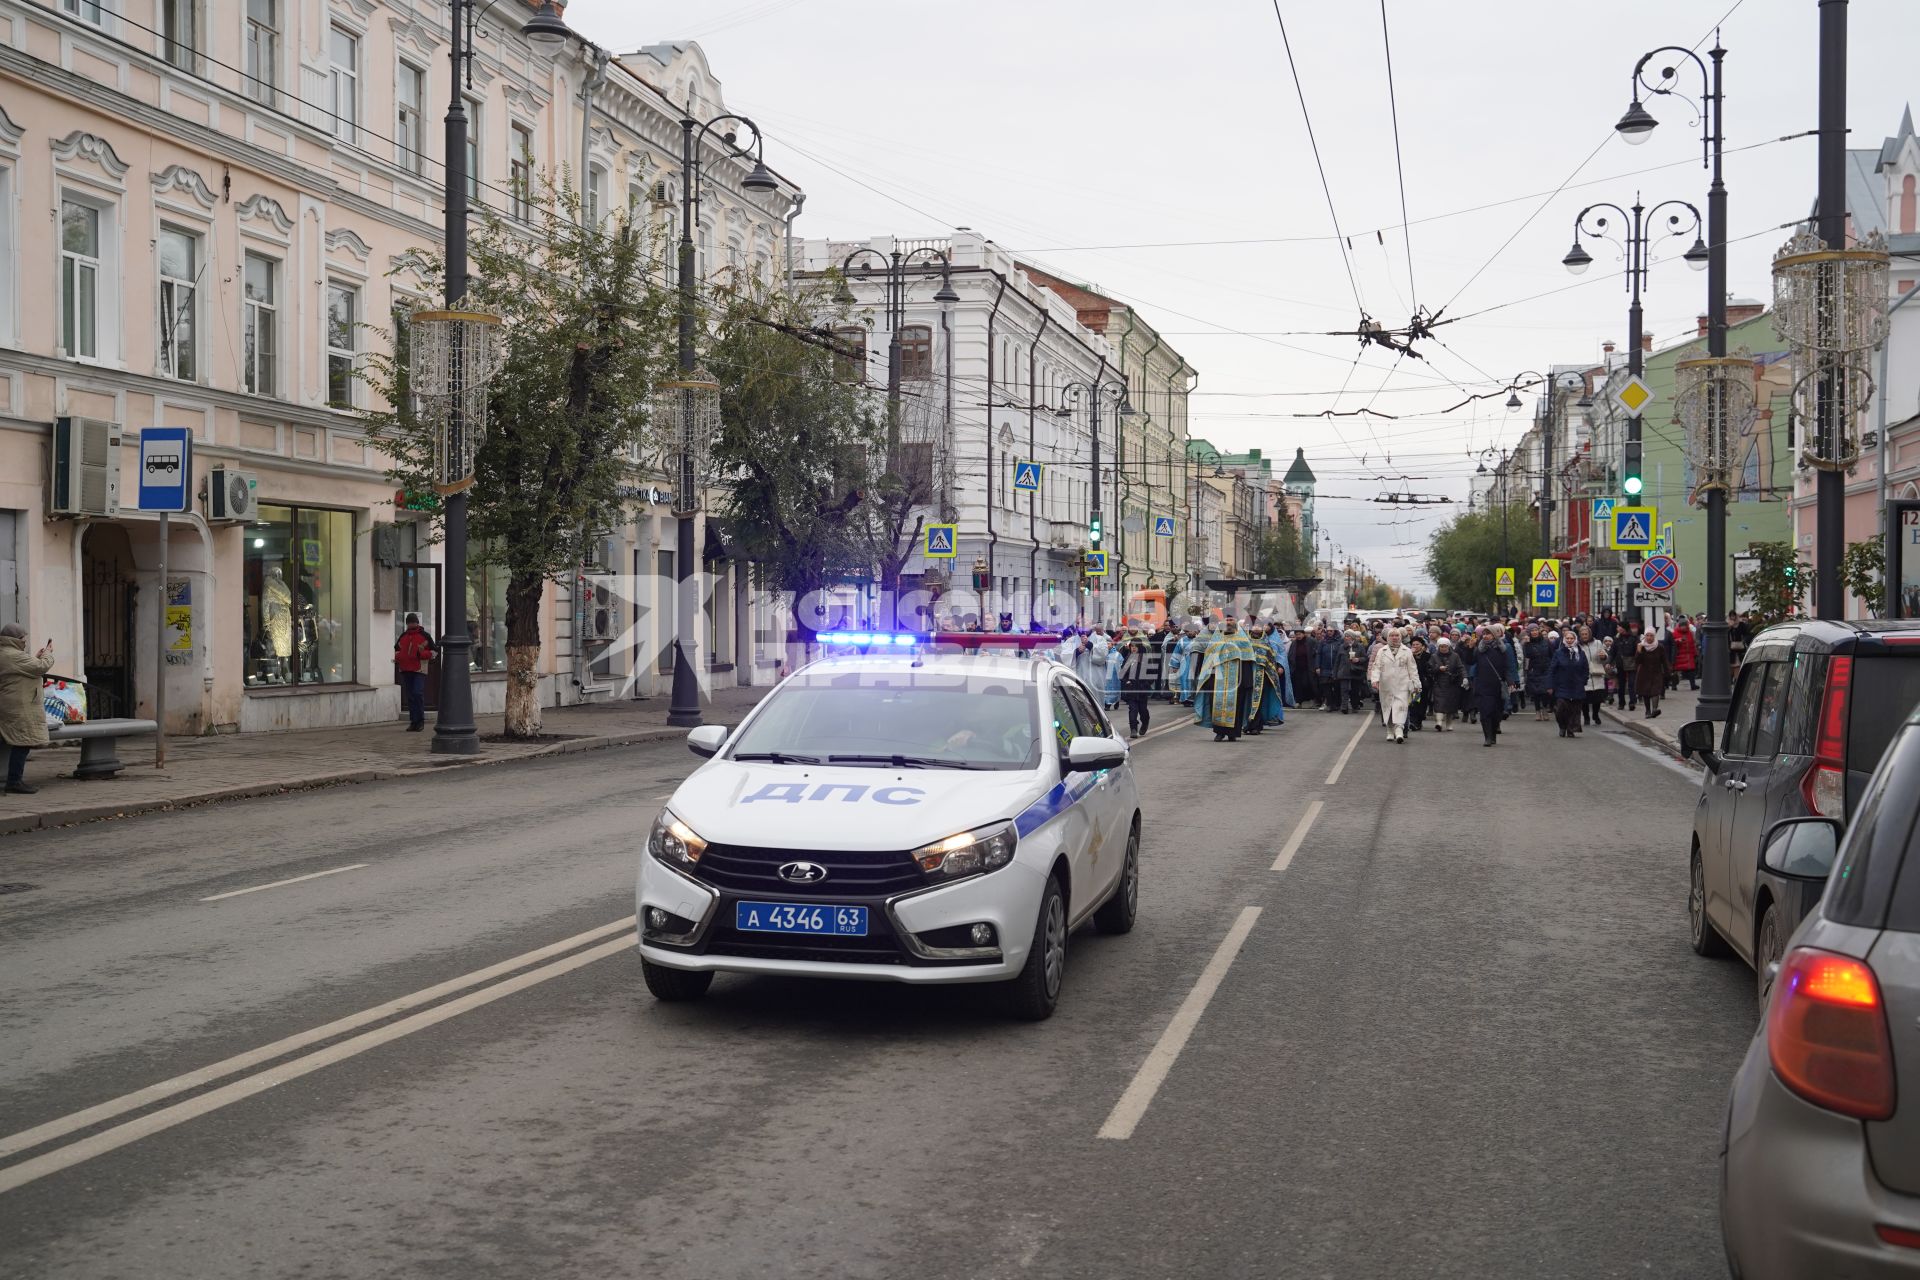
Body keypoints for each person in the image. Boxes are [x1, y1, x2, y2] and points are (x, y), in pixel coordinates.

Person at [1, 625, 55, 794]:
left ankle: (13, 780)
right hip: (17, 706)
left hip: (11, 704)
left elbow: (26, 668)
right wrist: (47, 653)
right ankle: (14, 781)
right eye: (23, 638)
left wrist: (35, 658)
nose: (25, 641)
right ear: (15, 639)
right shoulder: (12, 655)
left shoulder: (7, 654)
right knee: (22, 742)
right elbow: (41, 667)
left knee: (11, 740)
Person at [1194, 620, 1254, 741]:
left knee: (1237, 706)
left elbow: (1247, 661)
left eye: (1231, 621)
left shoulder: (1243, 641)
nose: (1229, 624)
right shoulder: (1215, 641)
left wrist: (1247, 681)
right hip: (1217, 680)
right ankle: (1219, 732)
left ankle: (1233, 733)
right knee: (1216, 705)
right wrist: (1208, 679)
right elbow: (1208, 661)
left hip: (1238, 679)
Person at [1369, 627, 1419, 744]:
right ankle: (1390, 731)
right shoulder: (1382, 651)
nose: (1395, 638)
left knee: (1401, 708)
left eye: (1397, 635)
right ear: (1388, 637)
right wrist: (1375, 680)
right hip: (1386, 686)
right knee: (1389, 709)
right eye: (1392, 636)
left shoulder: (1406, 651)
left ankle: (1399, 730)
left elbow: (1413, 669)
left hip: (1402, 685)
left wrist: (1416, 683)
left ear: (1400, 637)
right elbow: (1376, 667)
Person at [394, 612, 438, 731]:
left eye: (413, 622)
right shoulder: (403, 636)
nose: (411, 624)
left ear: (417, 623)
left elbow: (434, 652)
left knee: (417, 693)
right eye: (410, 622)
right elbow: (397, 650)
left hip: (419, 669)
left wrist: (421, 654)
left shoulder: (425, 636)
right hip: (405, 669)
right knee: (411, 696)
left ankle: (420, 721)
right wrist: (399, 658)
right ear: (407, 623)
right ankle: (413, 722)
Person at [1472, 624, 1511, 746]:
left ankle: (1493, 733)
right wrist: (1468, 648)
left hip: (1497, 686)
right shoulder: (1479, 649)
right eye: (1484, 634)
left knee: (1496, 712)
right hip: (1483, 685)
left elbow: (1508, 666)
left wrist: (1510, 681)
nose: (1485, 636)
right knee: (1485, 712)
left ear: (1494, 635)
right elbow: (1469, 661)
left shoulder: (1502, 649)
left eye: (1488, 634)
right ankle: (1487, 737)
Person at [1548, 627, 1590, 739]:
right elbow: (1552, 669)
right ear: (1564, 639)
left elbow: (1585, 669)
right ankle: (1562, 726)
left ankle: (1571, 729)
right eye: (1568, 638)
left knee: (1575, 709)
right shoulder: (1559, 653)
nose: (1570, 640)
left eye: (1572, 638)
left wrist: (1583, 680)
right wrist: (1550, 684)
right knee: (1561, 708)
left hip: (1577, 685)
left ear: (1575, 639)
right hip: (1562, 685)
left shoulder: (1580, 653)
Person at [1119, 636, 1155, 737]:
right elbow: (1122, 674)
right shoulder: (1128, 659)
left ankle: (1145, 723)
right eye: (1132, 646)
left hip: (1142, 690)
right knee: (1133, 709)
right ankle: (1133, 729)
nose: (1133, 648)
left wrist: (1146, 684)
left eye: (1135, 646)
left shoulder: (1145, 659)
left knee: (1143, 710)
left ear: (1139, 647)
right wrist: (1126, 681)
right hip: (1131, 689)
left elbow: (1152, 674)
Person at [1429, 637, 1465, 731]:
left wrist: (1465, 677)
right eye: (1441, 646)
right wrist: (1438, 669)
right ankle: (1439, 722)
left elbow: (1460, 668)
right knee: (1439, 703)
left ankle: (1449, 723)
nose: (1443, 648)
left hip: (1452, 683)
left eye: (1445, 646)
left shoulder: (1455, 656)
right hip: (1439, 683)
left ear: (1448, 646)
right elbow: (1429, 669)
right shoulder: (1434, 656)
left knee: (1451, 704)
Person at [1635, 628, 1671, 718]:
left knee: (1656, 691)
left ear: (1654, 636)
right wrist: (1639, 651)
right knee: (1645, 692)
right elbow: (1637, 661)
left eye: (1651, 635)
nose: (1649, 637)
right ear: (1645, 636)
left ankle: (1654, 709)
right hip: (1644, 672)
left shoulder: (1659, 646)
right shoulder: (1641, 646)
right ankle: (1647, 711)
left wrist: (1668, 672)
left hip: (1656, 672)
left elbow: (1664, 660)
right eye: (1647, 635)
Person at [1579, 625, 1610, 727]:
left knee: (1597, 698)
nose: (1584, 636)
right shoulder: (1578, 645)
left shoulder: (1597, 643)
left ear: (1590, 634)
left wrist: (1603, 656)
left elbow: (1604, 656)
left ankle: (1595, 715)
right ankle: (1586, 716)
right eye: (1582, 634)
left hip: (1596, 673)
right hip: (1584, 674)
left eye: (1586, 634)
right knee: (1584, 699)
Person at [1523, 625, 1554, 721]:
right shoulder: (1527, 643)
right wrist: (1527, 644)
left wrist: (1551, 667)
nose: (1534, 632)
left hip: (1546, 669)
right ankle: (1537, 711)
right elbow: (1527, 655)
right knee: (1536, 692)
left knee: (1545, 692)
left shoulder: (1546, 642)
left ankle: (1544, 709)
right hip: (1534, 669)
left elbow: (1552, 654)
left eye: (1536, 630)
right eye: (1532, 631)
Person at [1611, 623, 1640, 712]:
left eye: (1618, 627)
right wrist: (1609, 662)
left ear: (1623, 628)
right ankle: (1621, 703)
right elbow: (1612, 652)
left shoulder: (1633, 638)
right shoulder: (1616, 639)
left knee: (1631, 683)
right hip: (1620, 664)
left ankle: (1632, 702)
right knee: (1621, 685)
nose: (1617, 628)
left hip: (1631, 663)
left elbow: (1638, 651)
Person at [1406, 636, 1432, 732]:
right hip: (1413, 683)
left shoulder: (1427, 656)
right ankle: (1413, 722)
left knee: (1422, 703)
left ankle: (1419, 721)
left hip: (1423, 683)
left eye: (1417, 644)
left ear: (1422, 646)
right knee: (1414, 702)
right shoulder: (1408, 655)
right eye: (1413, 645)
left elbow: (1427, 668)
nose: (1415, 646)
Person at [1672, 616, 1699, 691]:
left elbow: (1692, 644)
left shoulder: (1689, 633)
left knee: (1691, 671)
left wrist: (1695, 654)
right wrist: (1678, 640)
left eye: (1685, 625)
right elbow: (1672, 643)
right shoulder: (1675, 633)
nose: (1684, 627)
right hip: (1679, 655)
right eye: (1682, 625)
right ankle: (1674, 685)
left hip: (1689, 655)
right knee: (1676, 672)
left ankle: (1693, 685)